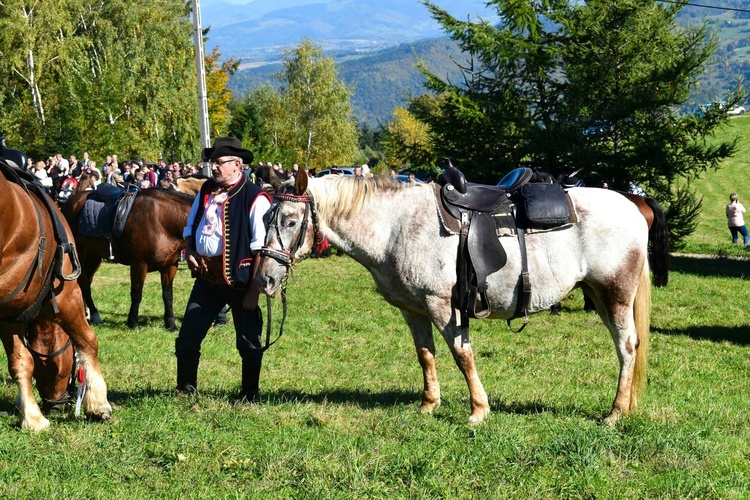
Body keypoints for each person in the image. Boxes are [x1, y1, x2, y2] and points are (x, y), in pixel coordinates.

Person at [175, 136, 272, 402]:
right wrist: (190, 251)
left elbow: (261, 250)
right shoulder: (207, 189)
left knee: (249, 341)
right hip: (207, 279)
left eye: (219, 162)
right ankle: (185, 389)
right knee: (187, 337)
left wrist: (253, 292)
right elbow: (189, 227)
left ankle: (250, 394)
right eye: (212, 162)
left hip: (241, 281)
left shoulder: (255, 197)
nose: (213, 167)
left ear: (237, 164)